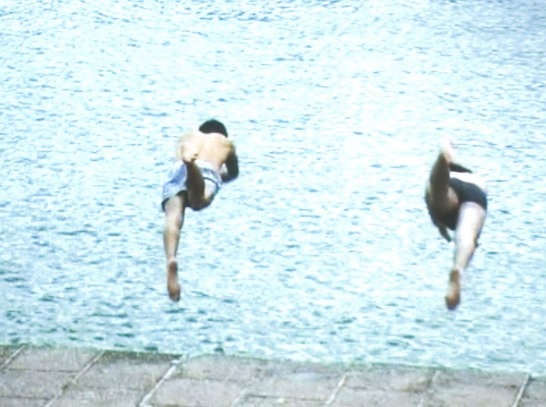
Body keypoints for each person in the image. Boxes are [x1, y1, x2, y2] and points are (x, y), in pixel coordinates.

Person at [161, 119, 239, 301]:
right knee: (199, 200)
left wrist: (188, 159)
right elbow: (233, 173)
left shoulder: (188, 137)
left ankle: (171, 258)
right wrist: (220, 176)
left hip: (178, 166)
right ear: (223, 134)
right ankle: (192, 168)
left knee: (173, 217)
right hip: (208, 171)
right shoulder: (226, 144)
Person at [425, 140, 487, 310]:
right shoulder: (472, 176)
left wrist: (438, 223)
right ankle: (458, 269)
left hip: (447, 186)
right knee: (466, 236)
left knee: (438, 191)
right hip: (475, 187)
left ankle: (442, 159)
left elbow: (430, 197)